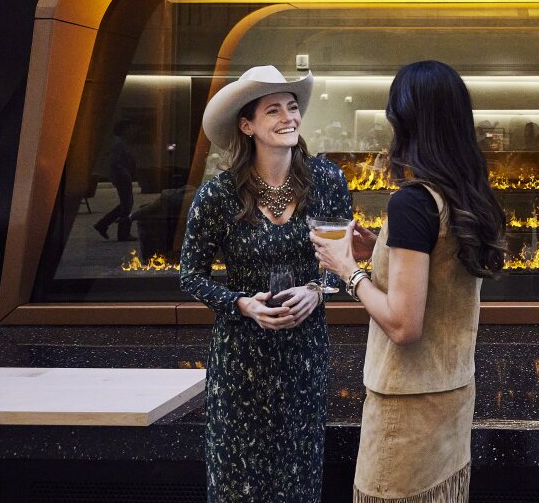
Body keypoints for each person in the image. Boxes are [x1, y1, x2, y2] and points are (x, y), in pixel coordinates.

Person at [313, 60, 507, 503]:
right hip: (452, 397)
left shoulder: (412, 203)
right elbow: (439, 272)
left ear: (405, 121)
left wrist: (348, 270)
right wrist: (380, 248)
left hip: (406, 410)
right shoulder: (463, 195)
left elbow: (403, 325)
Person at [180, 65, 353, 503]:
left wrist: (316, 291)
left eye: (292, 107)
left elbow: (341, 261)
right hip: (240, 359)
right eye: (273, 110)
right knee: (237, 483)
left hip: (304, 355)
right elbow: (191, 275)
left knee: (298, 479)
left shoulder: (327, 180)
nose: (288, 117)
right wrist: (243, 304)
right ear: (247, 125)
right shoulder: (218, 195)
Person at [94, 119, 137, 241]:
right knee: (127, 204)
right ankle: (122, 232)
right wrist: (125, 173)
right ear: (124, 130)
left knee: (126, 203)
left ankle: (103, 224)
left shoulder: (122, 143)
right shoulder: (119, 144)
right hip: (122, 177)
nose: (132, 131)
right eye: (130, 128)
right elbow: (116, 162)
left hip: (123, 176)